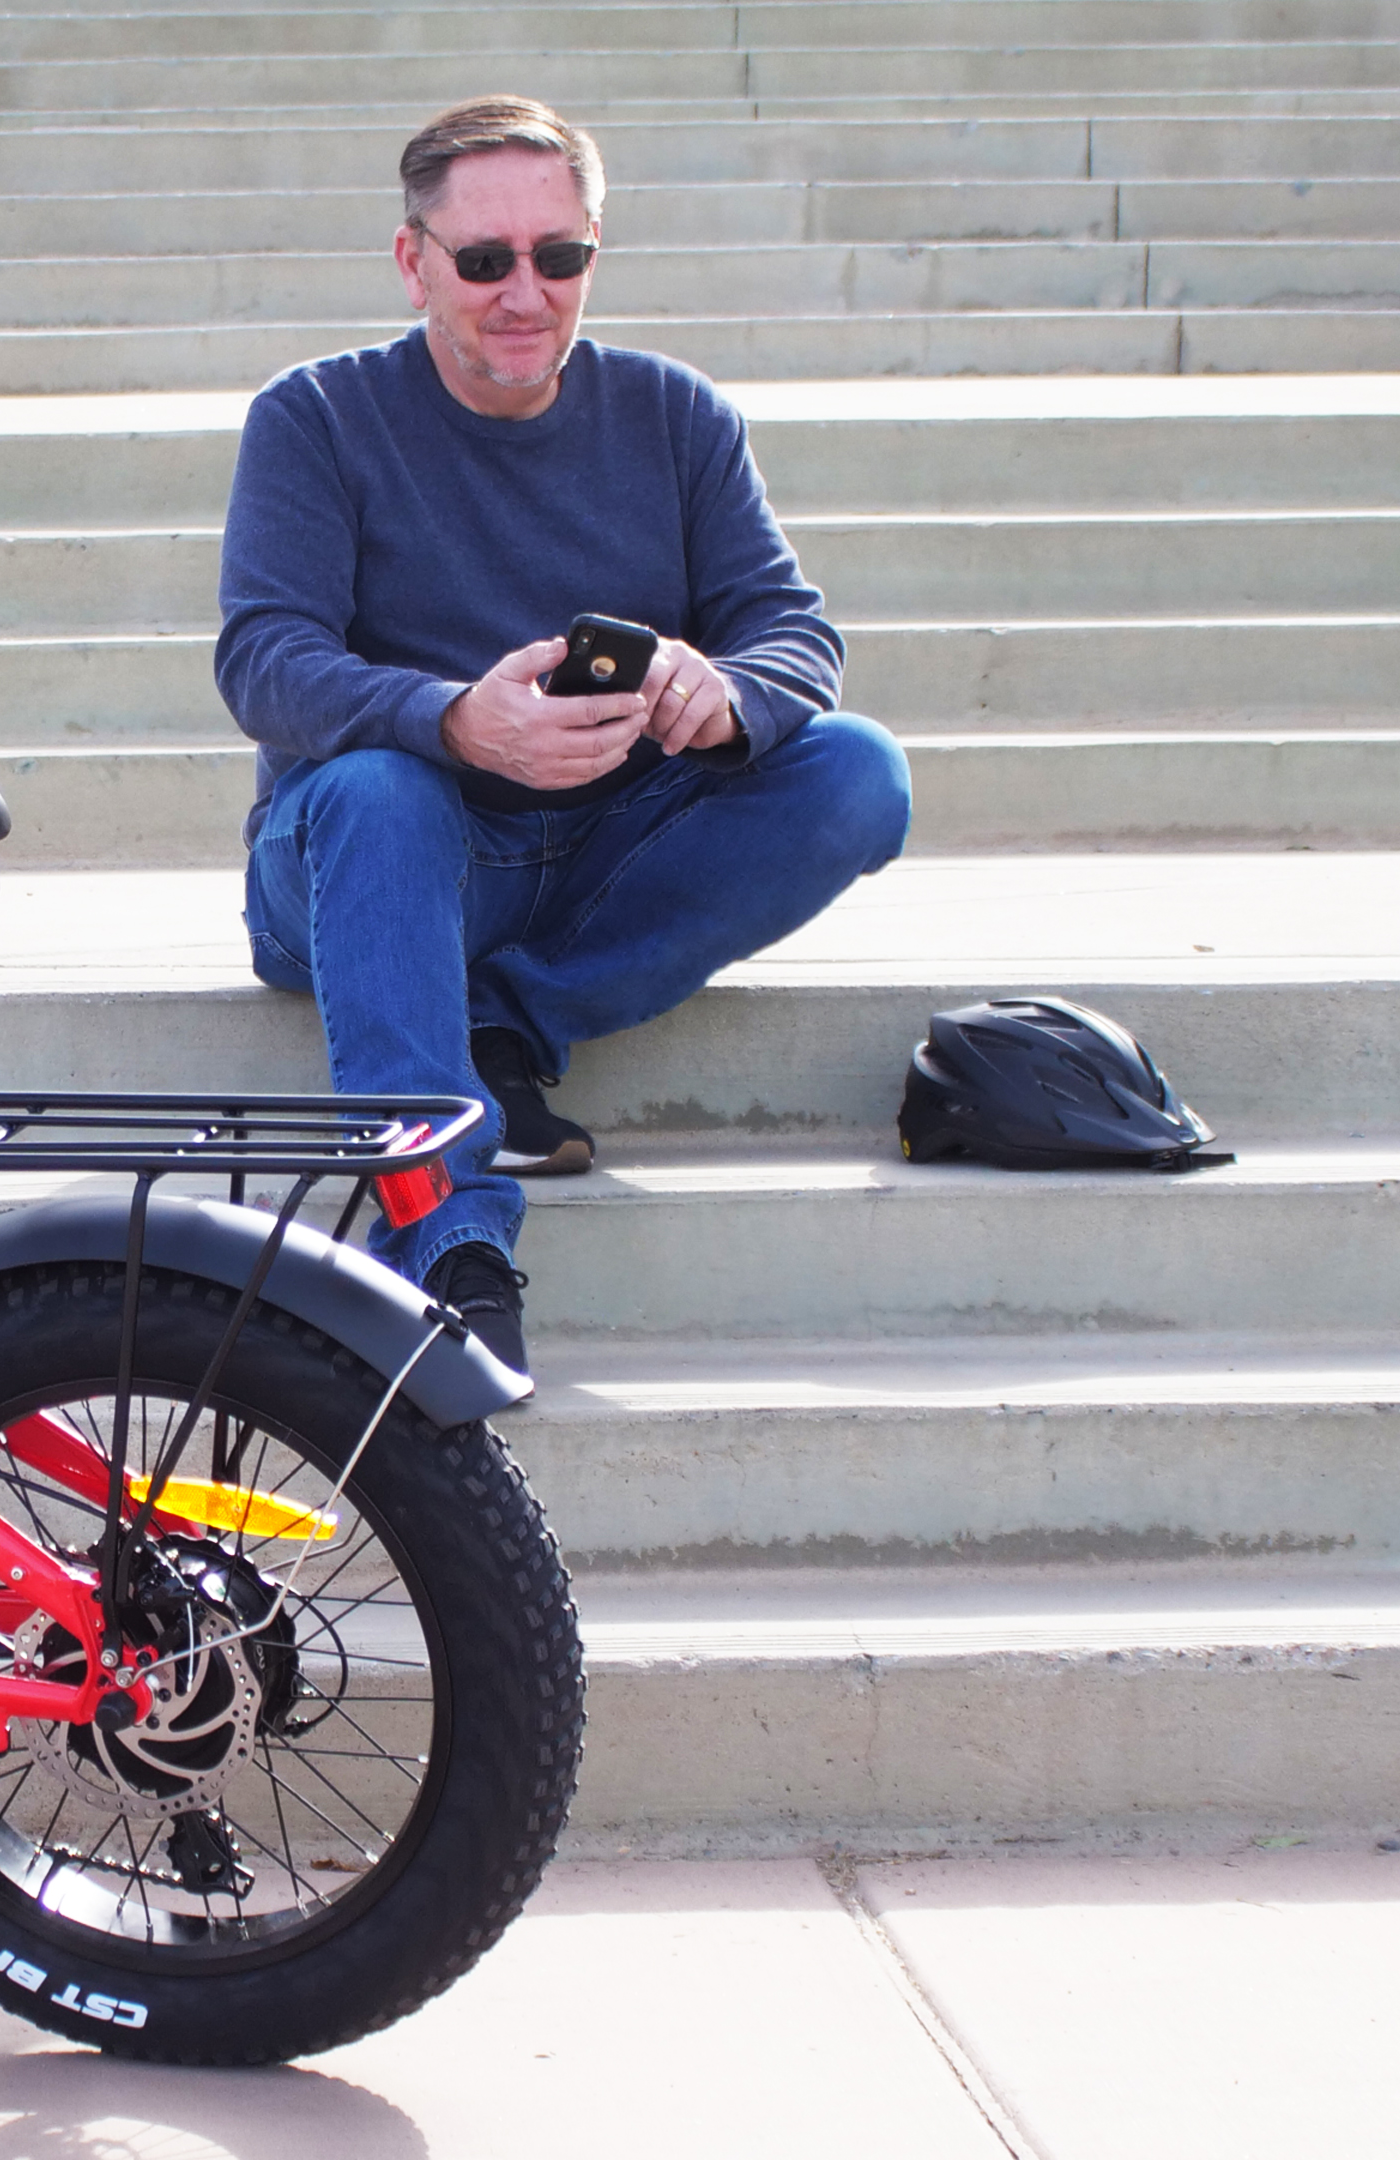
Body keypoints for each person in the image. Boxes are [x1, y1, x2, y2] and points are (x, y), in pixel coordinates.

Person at [217, 93, 913, 1371]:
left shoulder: (673, 413)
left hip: (596, 841)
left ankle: (507, 1022)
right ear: (412, 260)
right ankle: (449, 1242)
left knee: (858, 773)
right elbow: (266, 662)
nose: (523, 292)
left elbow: (792, 632)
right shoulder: (315, 417)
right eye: (483, 261)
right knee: (381, 790)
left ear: (596, 249)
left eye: (560, 255)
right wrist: (452, 722)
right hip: (365, 861)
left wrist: (730, 694)